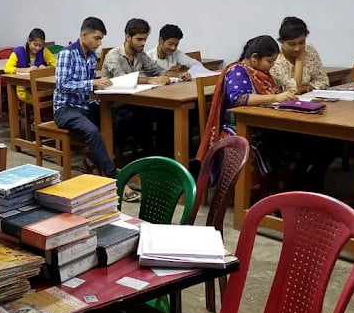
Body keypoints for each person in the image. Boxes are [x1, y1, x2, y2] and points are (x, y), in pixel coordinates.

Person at [197, 35, 335, 193]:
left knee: (314, 141)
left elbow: (274, 91)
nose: (272, 65)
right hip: (238, 125)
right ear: (254, 58)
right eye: (270, 61)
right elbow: (239, 99)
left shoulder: (260, 72)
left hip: (261, 121)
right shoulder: (237, 71)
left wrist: (285, 95)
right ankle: (286, 189)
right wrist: (275, 98)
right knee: (283, 143)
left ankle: (298, 185)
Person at [54, 18, 141, 197]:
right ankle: (114, 178)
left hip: (85, 105)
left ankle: (93, 162)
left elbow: (91, 86)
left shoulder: (92, 55)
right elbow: (62, 85)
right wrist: (93, 83)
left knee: (121, 118)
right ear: (84, 35)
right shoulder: (67, 54)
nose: (99, 43)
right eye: (97, 38)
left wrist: (102, 87)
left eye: (101, 39)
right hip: (65, 108)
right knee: (93, 131)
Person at [101, 18, 171, 169]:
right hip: (113, 106)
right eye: (139, 39)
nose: (142, 43)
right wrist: (149, 81)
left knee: (164, 113)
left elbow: (157, 70)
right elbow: (122, 78)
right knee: (138, 117)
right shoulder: (113, 55)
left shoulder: (140, 55)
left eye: (144, 40)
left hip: (135, 102)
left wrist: (174, 74)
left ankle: (162, 158)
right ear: (127, 36)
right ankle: (150, 160)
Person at [270, 16, 329, 94]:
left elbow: (323, 81)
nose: (297, 48)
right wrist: (299, 61)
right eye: (292, 44)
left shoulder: (309, 51)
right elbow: (295, 90)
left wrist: (304, 88)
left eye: (301, 43)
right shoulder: (275, 59)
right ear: (281, 41)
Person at [4, 28, 57, 103]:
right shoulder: (18, 52)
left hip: (39, 86)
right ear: (29, 41)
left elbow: (56, 64)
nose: (38, 48)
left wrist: (46, 68)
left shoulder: (43, 51)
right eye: (35, 45)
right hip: (23, 89)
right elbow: (7, 68)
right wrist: (25, 70)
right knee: (42, 101)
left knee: (50, 97)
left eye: (40, 45)